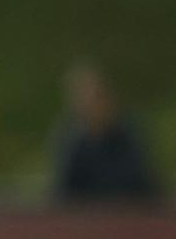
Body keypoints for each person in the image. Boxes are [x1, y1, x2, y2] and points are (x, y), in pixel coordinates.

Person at [52, 60, 159, 204]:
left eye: (96, 97)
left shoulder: (128, 134)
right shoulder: (71, 139)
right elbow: (64, 189)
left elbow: (141, 181)